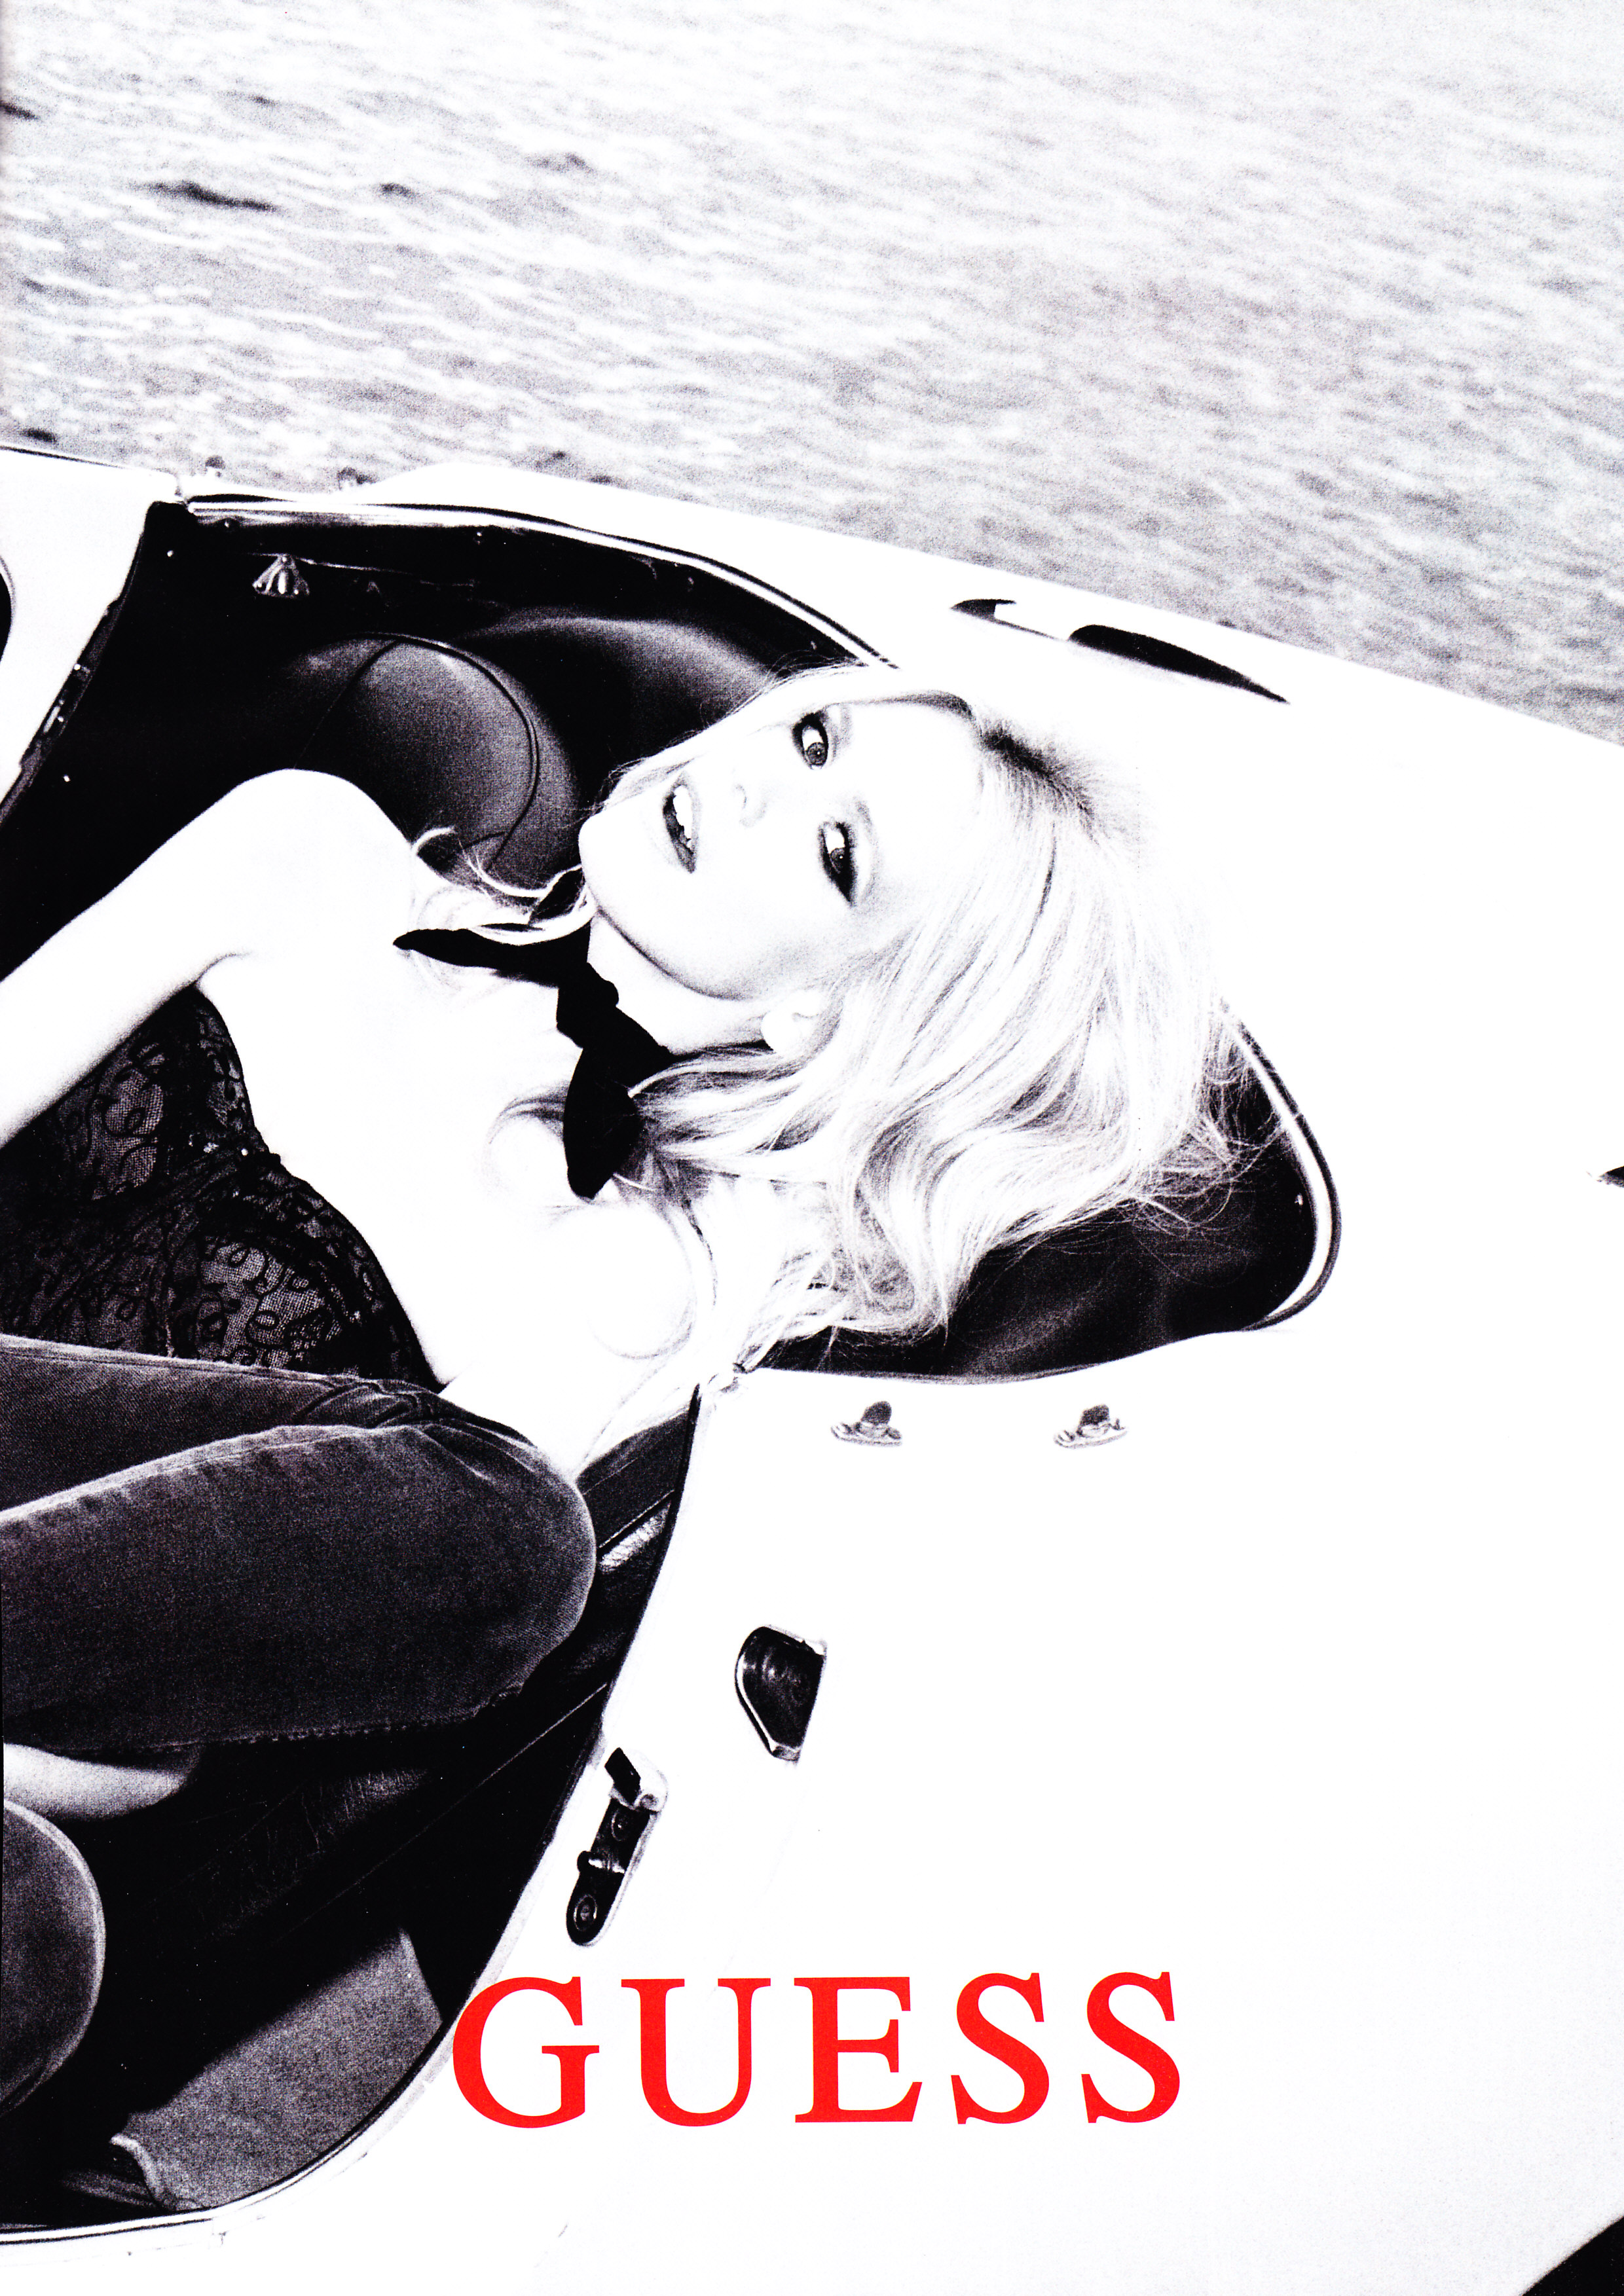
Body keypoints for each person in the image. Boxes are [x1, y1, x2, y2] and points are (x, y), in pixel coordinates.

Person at [1, 656, 1233, 1823]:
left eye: (836, 849)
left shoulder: (625, 1283)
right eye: (813, 739)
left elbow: (152, 1744)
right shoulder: (307, 847)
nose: (754, 782)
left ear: (827, 1015)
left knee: (509, 1546)